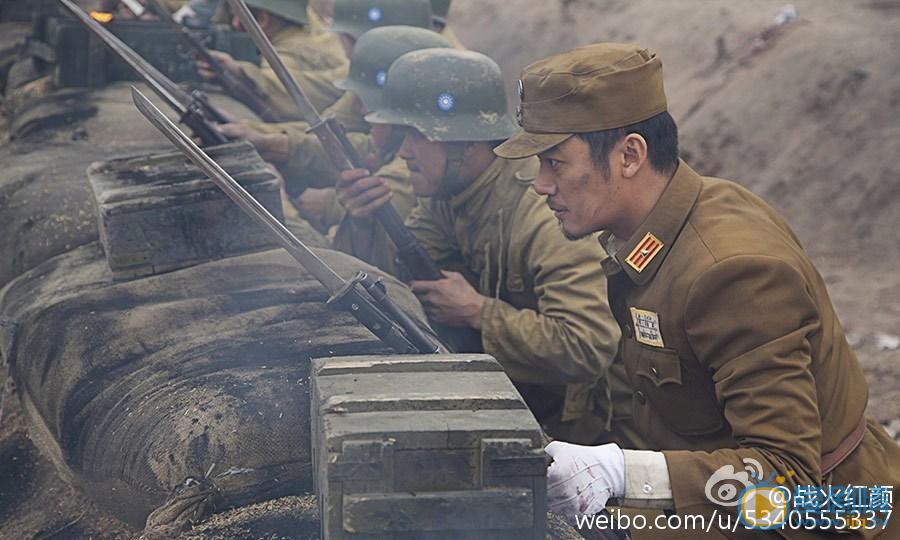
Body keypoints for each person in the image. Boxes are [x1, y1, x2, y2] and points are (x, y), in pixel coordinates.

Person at [494, 42, 900, 538]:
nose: (540, 185)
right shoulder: (661, 228)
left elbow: (788, 477)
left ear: (629, 155)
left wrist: (623, 473)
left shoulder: (730, 272)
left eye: (555, 163)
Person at [334, 48, 621, 440]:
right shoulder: (448, 196)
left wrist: (479, 313)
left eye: (418, 136)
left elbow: (586, 345)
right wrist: (364, 223)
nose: (403, 153)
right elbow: (396, 288)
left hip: (571, 428)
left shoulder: (544, 215)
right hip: (508, 398)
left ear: (465, 144)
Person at [195, 0, 347, 119]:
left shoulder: (285, 57)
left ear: (263, 19)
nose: (235, 24)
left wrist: (238, 72)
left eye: (240, 17)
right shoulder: (316, 29)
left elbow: (282, 92)